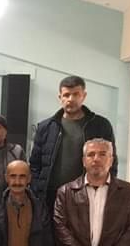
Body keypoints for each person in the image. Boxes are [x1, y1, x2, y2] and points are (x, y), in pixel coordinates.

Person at [30, 75, 117, 210]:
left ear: (84, 96)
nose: (71, 99)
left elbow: (111, 161)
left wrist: (106, 190)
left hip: (88, 195)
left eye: (76, 94)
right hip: (50, 198)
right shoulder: (45, 127)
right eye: (66, 95)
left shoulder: (100, 125)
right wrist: (37, 191)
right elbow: (35, 164)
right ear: (60, 97)